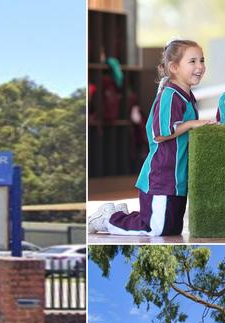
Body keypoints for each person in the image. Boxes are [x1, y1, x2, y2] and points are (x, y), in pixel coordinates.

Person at [88, 39, 215, 236]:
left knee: (171, 229)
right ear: (173, 67)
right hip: (161, 178)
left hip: (177, 179)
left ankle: (118, 213)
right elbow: (160, 133)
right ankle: (108, 219)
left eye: (202, 60)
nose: (200, 66)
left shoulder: (186, 96)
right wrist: (192, 124)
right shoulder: (170, 95)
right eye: (192, 61)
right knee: (156, 229)